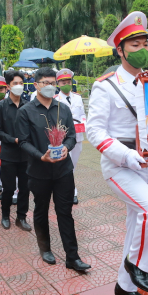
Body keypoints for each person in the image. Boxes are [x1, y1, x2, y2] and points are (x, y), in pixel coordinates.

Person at [87, 11, 148, 295]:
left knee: (136, 225)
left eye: (145, 44)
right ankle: (138, 266)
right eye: (135, 45)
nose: (143, 50)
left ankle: (124, 285)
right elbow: (94, 131)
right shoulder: (105, 85)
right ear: (120, 50)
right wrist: (125, 155)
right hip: (120, 165)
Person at [16, 67, 90, 271]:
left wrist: (66, 148)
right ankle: (45, 248)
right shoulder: (26, 112)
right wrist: (41, 156)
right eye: (45, 83)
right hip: (39, 172)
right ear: (36, 85)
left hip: (63, 171)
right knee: (40, 211)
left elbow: (72, 136)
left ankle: (72, 257)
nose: (49, 86)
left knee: (65, 212)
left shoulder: (63, 108)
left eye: (52, 83)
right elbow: (23, 141)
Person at [0, 70, 31, 231]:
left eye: (21, 83)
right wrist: (13, 140)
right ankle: (5, 215)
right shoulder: (0, 107)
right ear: (8, 86)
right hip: (8, 154)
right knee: (8, 188)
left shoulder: (28, 106)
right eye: (15, 83)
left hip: (26, 155)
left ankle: (21, 217)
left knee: (25, 188)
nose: (19, 86)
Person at [54, 68, 86, 205]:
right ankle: (72, 192)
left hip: (78, 137)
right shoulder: (55, 99)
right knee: (66, 165)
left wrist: (84, 123)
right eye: (63, 82)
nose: (66, 84)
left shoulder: (77, 97)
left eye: (68, 81)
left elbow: (83, 115)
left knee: (73, 165)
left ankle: (67, 188)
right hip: (63, 139)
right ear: (58, 84)